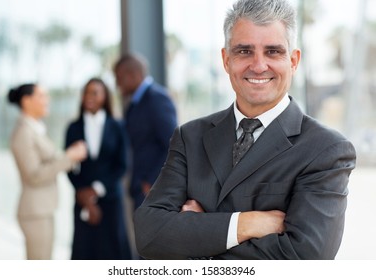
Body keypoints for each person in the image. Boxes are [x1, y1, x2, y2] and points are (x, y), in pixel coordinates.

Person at [134, 0, 356, 260]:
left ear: (294, 61)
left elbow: (304, 258)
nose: (259, 65)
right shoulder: (190, 137)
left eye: (273, 52)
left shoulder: (326, 150)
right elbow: (149, 235)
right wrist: (246, 224)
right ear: (226, 60)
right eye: (244, 51)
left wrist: (199, 238)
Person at [8, 83, 87, 260]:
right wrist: (69, 157)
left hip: (42, 210)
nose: (47, 100)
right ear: (27, 101)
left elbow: (48, 160)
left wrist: (69, 155)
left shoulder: (35, 130)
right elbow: (34, 175)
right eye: (42, 96)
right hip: (34, 212)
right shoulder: (23, 133)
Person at [65, 78, 132, 260]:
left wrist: (97, 189)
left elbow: (122, 165)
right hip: (82, 199)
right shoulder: (73, 128)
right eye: (87, 92)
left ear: (105, 97)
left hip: (110, 198)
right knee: (84, 250)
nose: (90, 96)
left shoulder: (117, 126)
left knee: (113, 250)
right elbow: (69, 166)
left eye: (95, 92)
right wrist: (83, 193)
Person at [113, 53, 177, 209]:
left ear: (133, 75)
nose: (117, 84)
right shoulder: (134, 103)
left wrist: (153, 181)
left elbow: (173, 144)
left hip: (152, 189)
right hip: (140, 188)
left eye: (119, 78)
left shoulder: (157, 100)